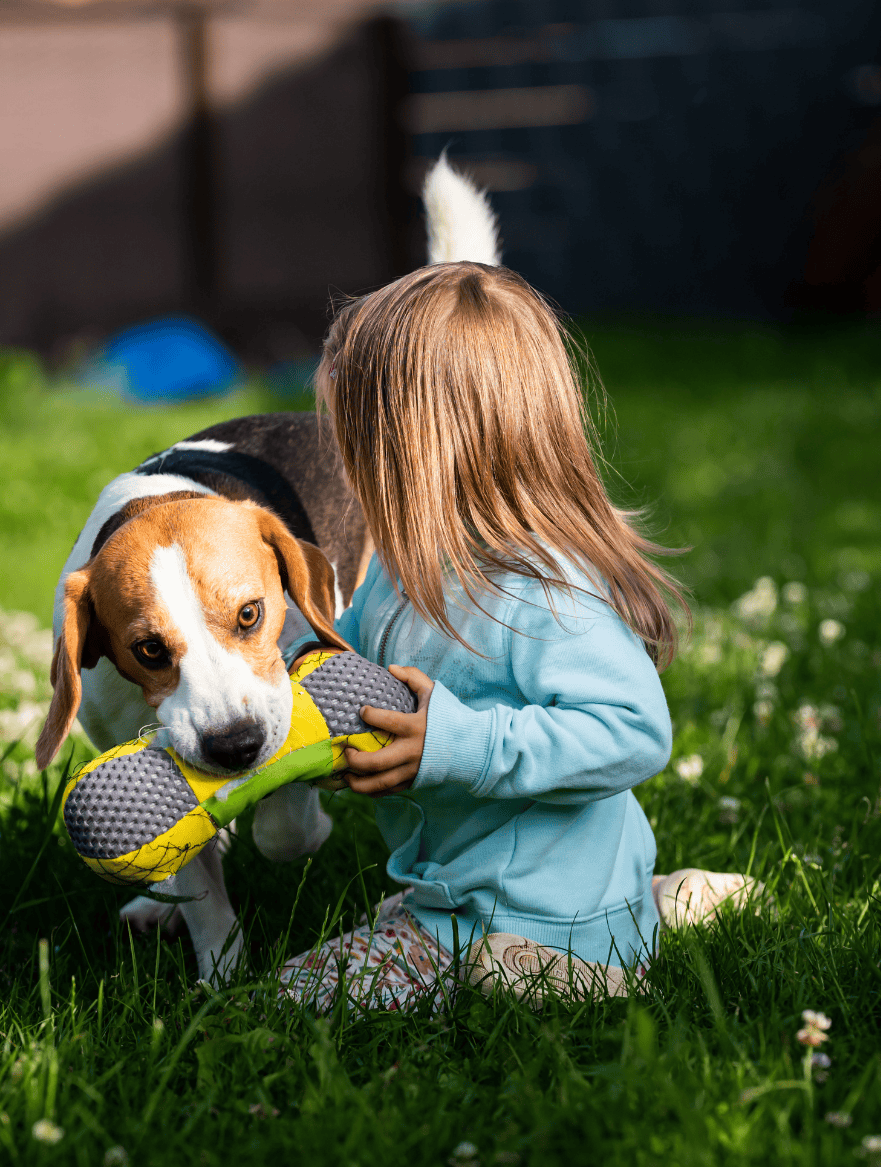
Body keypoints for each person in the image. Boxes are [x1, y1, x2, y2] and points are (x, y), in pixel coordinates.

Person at [278, 186, 759, 1012]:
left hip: (535, 917)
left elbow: (633, 732)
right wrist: (311, 710)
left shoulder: (542, 591)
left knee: (286, 1003)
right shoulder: (401, 568)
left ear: (412, 454)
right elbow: (341, 658)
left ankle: (596, 970)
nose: (344, 468)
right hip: (470, 888)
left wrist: (458, 746)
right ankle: (662, 901)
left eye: (355, 444)